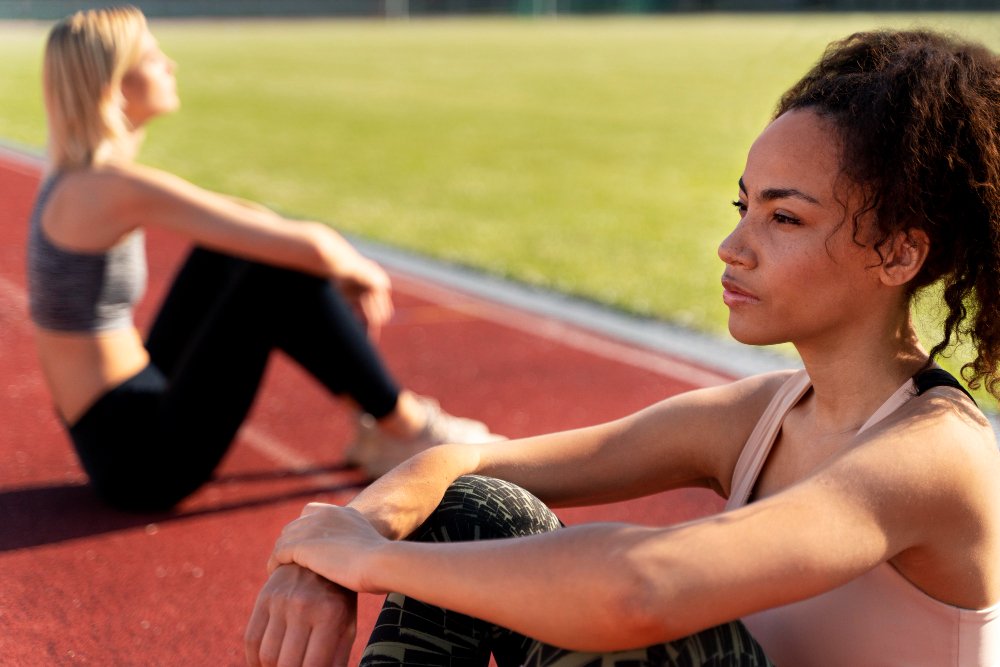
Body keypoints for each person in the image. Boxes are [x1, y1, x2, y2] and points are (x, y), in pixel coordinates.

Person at [245, 29, 1000, 667]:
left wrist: (368, 561)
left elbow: (637, 591)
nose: (733, 247)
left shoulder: (933, 455)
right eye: (744, 206)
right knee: (476, 511)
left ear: (900, 254)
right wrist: (335, 549)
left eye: (785, 219)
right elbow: (463, 463)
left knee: (665, 627)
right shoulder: (766, 415)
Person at [28, 5, 503, 513]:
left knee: (229, 254)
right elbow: (309, 247)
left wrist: (326, 258)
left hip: (130, 412)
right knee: (271, 276)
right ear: (117, 86)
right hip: (142, 462)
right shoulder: (104, 189)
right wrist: (356, 268)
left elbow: (240, 218)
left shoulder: (81, 179)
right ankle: (406, 427)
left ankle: (375, 425)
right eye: (152, 57)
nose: (171, 65)